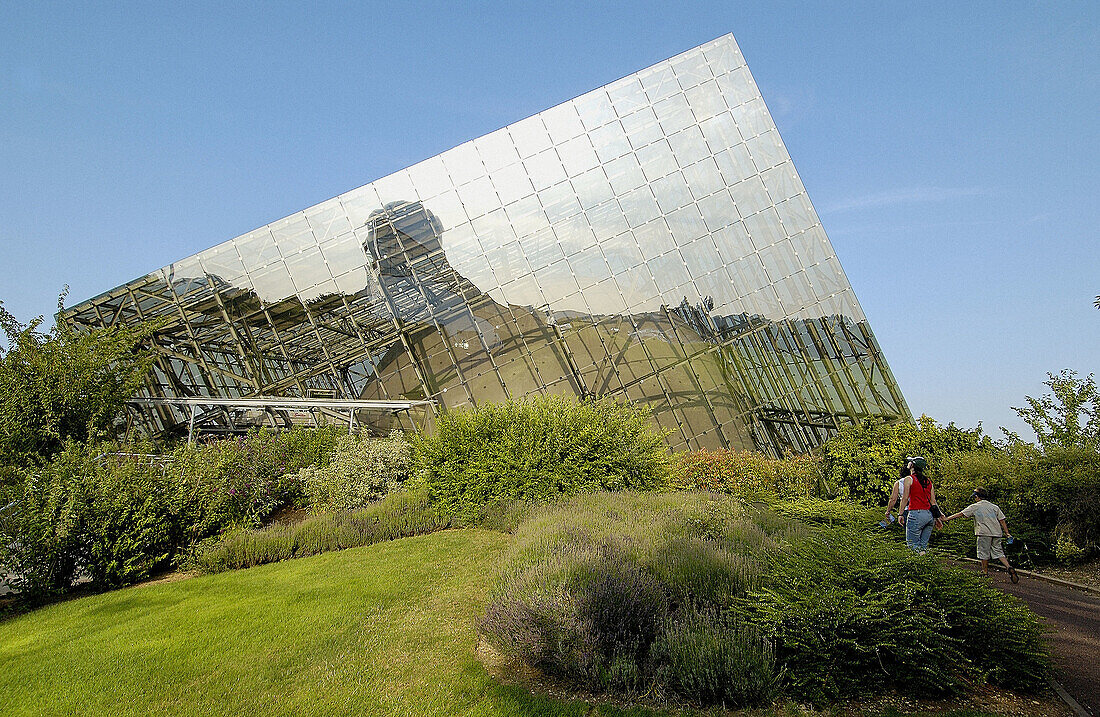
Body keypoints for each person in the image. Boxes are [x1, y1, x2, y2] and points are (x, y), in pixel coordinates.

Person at [944, 487, 1018, 583]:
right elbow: (1002, 521)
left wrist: (947, 519)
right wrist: (1007, 533)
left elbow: (961, 514)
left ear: (977, 496)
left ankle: (984, 571)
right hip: (997, 533)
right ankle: (1008, 567)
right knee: (999, 552)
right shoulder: (994, 507)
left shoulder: (975, 506)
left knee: (984, 553)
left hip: (984, 533)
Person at [898, 456, 943, 554]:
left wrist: (900, 514)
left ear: (912, 465)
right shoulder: (928, 481)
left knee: (912, 545)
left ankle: (917, 565)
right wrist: (937, 518)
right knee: (923, 546)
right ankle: (925, 564)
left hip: (916, 513)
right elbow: (933, 501)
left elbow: (905, 498)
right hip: (929, 515)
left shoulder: (909, 479)